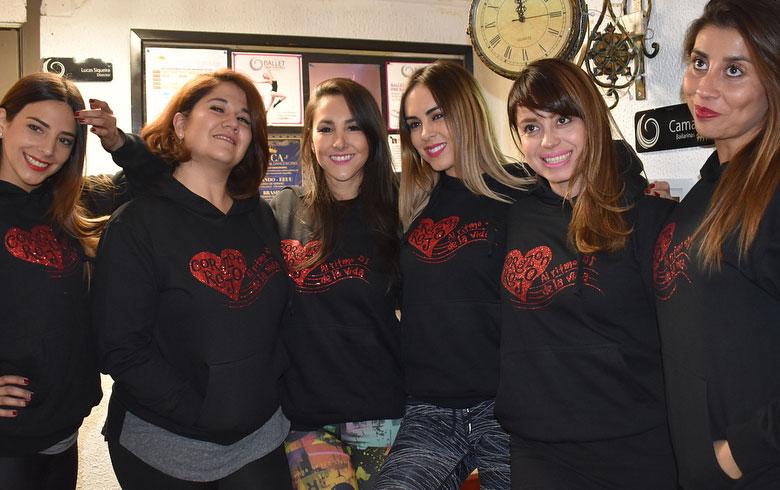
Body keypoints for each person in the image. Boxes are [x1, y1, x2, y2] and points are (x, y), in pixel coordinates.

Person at [92, 69, 292, 489]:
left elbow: (279, 320)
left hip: (258, 436)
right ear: (181, 124)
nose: (232, 122)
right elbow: (120, 347)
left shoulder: (261, 217)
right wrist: (199, 409)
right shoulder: (136, 224)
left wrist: (269, 389)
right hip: (164, 443)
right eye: (218, 108)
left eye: (244, 118)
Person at [498, 58, 677, 489]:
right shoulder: (510, 214)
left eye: (563, 119)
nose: (549, 140)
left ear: (591, 119)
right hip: (538, 449)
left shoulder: (647, 218)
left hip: (635, 445)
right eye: (531, 127)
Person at [374, 61, 531, 490]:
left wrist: (637, 185)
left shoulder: (522, 190)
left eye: (437, 115)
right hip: (431, 410)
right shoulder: (413, 205)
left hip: (506, 408)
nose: (425, 134)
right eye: (414, 124)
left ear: (467, 110)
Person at [654, 0, 780, 487]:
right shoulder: (707, 192)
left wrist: (742, 452)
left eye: (734, 70)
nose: (703, 87)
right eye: (699, 62)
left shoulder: (771, 194)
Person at [271, 78, 403, 490]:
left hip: (382, 413)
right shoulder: (283, 210)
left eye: (353, 127)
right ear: (310, 140)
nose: (339, 141)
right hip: (305, 418)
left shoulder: (402, 208)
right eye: (326, 128)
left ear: (373, 136)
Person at [0, 73, 104, 489]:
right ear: (3, 121)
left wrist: (118, 142)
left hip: (62, 429)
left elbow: (156, 181)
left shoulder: (69, 208)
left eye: (64, 140)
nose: (48, 150)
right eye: (36, 128)